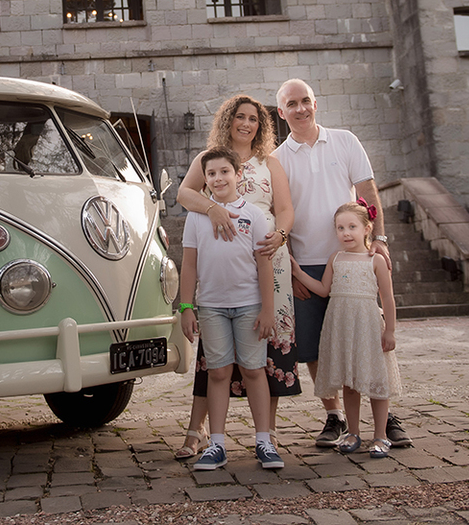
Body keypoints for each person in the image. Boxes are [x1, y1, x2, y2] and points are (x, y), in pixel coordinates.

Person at [271, 78, 411, 449]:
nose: (300, 108)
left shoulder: (346, 141)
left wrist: (379, 239)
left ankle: (384, 417)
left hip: (355, 261)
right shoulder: (277, 159)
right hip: (308, 265)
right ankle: (335, 416)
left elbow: (367, 192)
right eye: (291, 104)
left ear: (315, 104)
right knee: (317, 348)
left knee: (368, 342)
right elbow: (278, 213)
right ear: (281, 112)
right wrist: (291, 268)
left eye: (305, 101)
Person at [173, 95, 298, 459]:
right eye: (240, 117)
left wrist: (281, 236)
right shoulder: (210, 159)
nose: (246, 124)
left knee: (265, 351)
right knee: (215, 358)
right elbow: (184, 194)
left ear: (261, 125)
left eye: (253, 119)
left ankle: (266, 434)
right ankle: (202, 432)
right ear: (228, 120)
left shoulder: (269, 162)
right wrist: (213, 209)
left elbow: (285, 209)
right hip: (218, 262)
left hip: (267, 256)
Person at [291, 200, 402, 458]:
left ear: (367, 228)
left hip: (368, 326)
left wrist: (390, 331)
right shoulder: (336, 258)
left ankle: (381, 436)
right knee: (349, 383)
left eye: (352, 227)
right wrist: (298, 272)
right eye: (340, 228)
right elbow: (323, 290)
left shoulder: (375, 260)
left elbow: (387, 298)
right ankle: (353, 432)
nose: (346, 233)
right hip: (343, 327)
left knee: (376, 381)